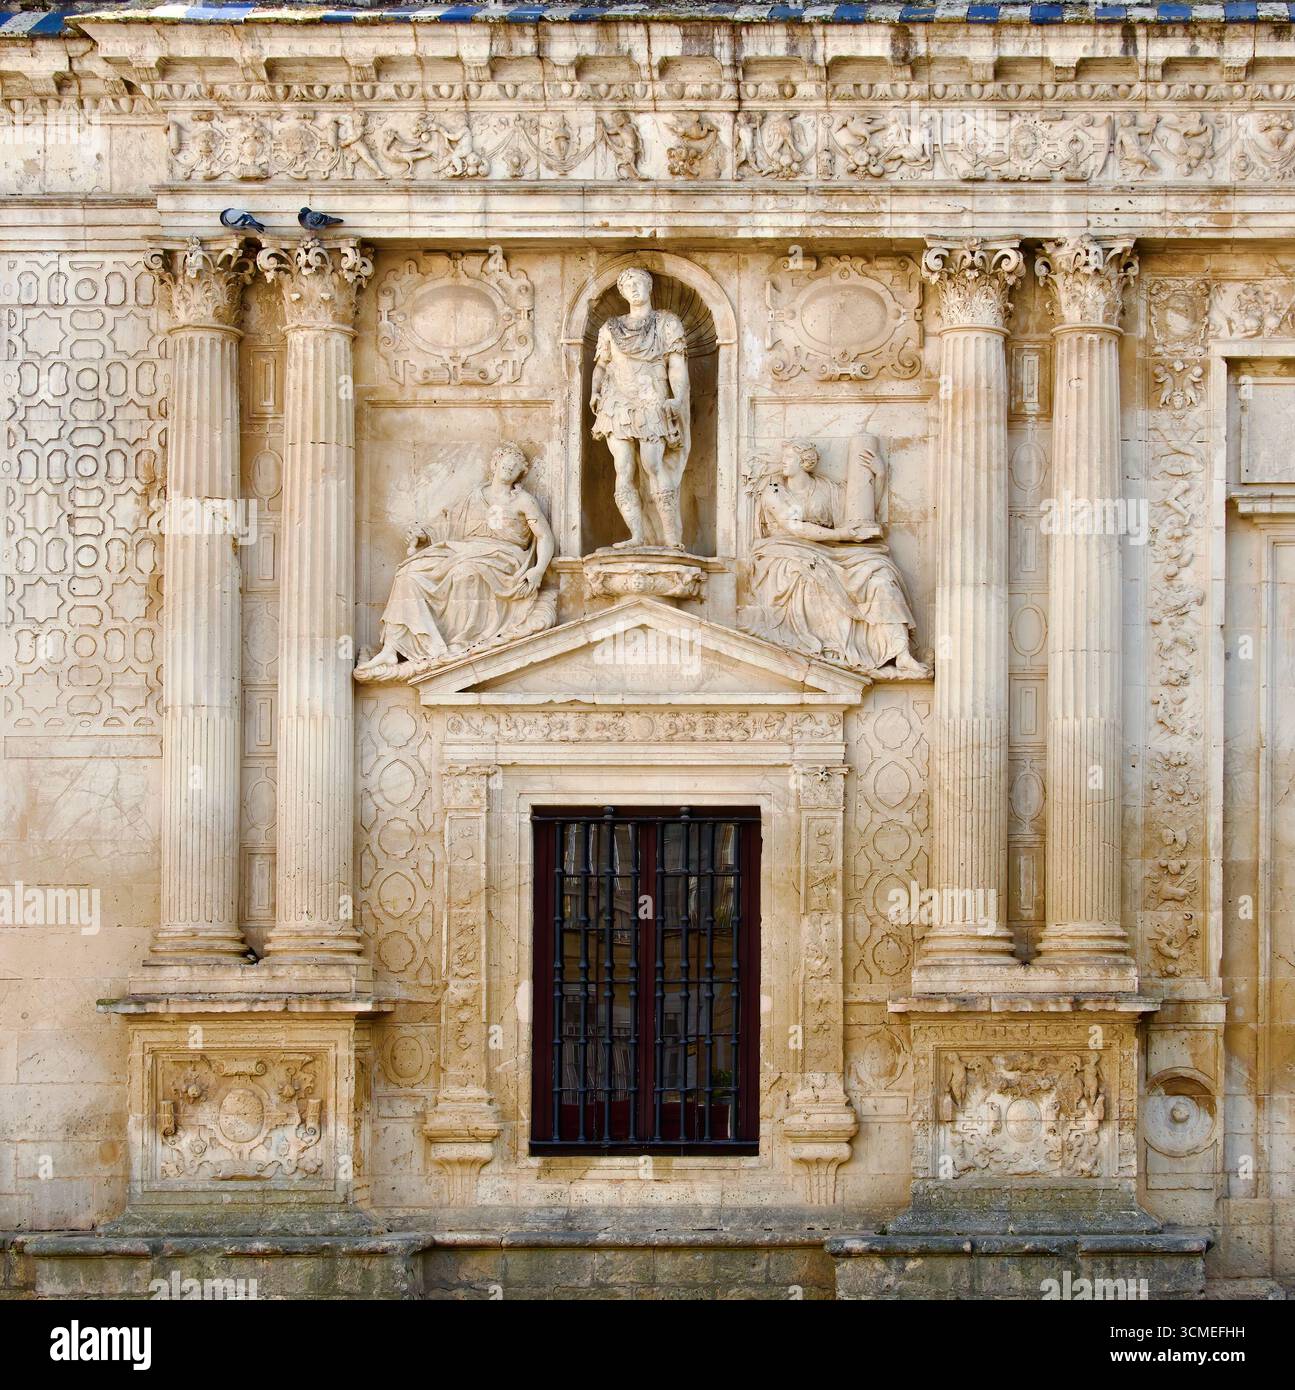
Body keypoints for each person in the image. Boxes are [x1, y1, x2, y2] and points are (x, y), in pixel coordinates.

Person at [354, 443, 555, 679]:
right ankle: (392, 647)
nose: (508, 470)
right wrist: (424, 535)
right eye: (505, 464)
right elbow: (449, 526)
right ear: (495, 464)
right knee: (409, 573)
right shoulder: (475, 496)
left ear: (521, 473)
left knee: (465, 572)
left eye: (514, 467)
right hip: (463, 550)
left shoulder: (523, 501)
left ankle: (461, 642)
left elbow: (544, 536)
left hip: (502, 558)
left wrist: (539, 570)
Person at [743, 439, 926, 676]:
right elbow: (795, 527)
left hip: (831, 549)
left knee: (880, 572)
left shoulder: (827, 489)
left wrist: (879, 476)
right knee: (808, 572)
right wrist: (841, 534)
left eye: (789, 458)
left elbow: (861, 513)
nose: (783, 462)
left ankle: (900, 653)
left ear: (805, 462)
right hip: (787, 550)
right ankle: (834, 647)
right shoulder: (775, 490)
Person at [590, 267, 691, 549]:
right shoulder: (610, 328)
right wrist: (594, 392)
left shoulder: (667, 323)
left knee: (654, 465)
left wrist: (678, 398)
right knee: (622, 468)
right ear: (622, 293)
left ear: (649, 288)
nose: (634, 289)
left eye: (638, 283)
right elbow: (601, 365)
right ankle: (637, 535)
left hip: (652, 398)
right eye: (628, 285)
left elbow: (676, 365)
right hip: (617, 403)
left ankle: (671, 537)